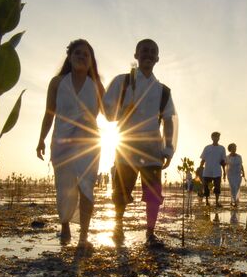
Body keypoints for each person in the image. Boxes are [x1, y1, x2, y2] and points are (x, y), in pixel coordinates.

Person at [103, 39, 177, 247]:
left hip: (153, 148)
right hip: (126, 145)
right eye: (144, 50)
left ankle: (150, 233)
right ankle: (117, 226)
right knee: (121, 189)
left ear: (157, 59)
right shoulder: (123, 82)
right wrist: (124, 111)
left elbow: (169, 120)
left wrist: (168, 149)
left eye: (153, 52)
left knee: (153, 194)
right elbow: (108, 111)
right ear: (136, 55)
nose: (148, 54)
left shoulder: (163, 91)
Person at [36, 39, 104, 249]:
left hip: (89, 144)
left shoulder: (97, 86)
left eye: (86, 54)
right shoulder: (57, 83)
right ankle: (65, 225)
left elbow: (110, 115)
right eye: (78, 52)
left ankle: (83, 236)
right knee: (64, 187)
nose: (82, 56)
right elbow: (49, 113)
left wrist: (129, 106)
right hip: (62, 142)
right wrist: (41, 139)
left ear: (91, 60)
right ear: (70, 56)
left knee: (86, 188)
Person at [200, 132, 227, 207]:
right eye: (214, 137)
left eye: (217, 137)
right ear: (212, 138)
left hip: (217, 171)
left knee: (217, 187)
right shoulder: (207, 147)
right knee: (206, 187)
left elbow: (223, 161)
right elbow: (203, 160)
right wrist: (200, 169)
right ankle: (207, 201)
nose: (216, 138)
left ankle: (217, 202)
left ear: (219, 138)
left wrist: (224, 172)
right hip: (207, 171)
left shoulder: (222, 148)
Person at [226, 143, 246, 207]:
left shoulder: (239, 156)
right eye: (233, 147)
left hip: (238, 174)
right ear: (230, 149)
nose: (234, 149)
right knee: (233, 187)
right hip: (230, 174)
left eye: (235, 147)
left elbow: (241, 165)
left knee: (237, 188)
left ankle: (234, 200)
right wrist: (224, 174)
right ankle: (234, 201)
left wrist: (243, 173)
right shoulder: (227, 157)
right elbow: (225, 166)